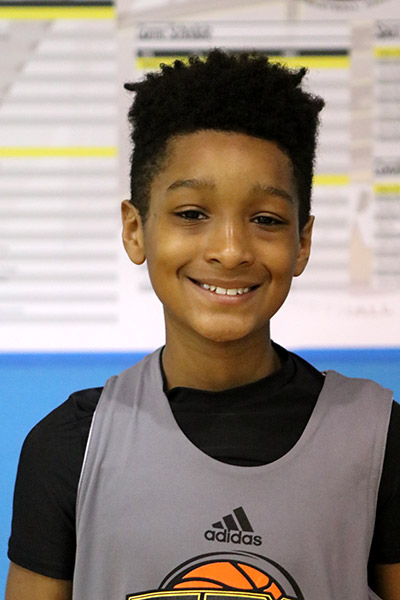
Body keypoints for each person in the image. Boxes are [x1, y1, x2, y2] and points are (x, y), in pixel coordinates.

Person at [5, 50, 400, 600]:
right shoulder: (71, 448)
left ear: (302, 242)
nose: (231, 250)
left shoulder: (379, 441)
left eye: (266, 219)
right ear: (135, 230)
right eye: (192, 214)